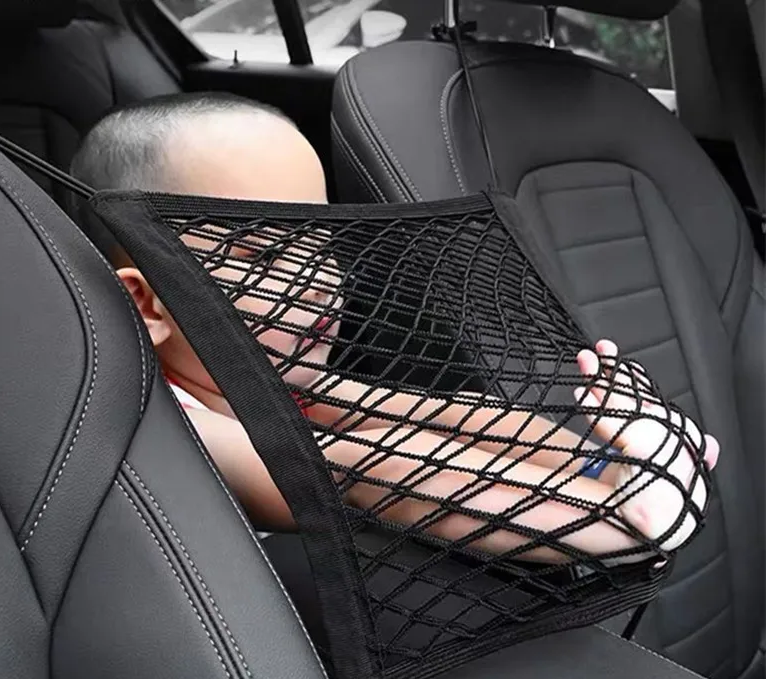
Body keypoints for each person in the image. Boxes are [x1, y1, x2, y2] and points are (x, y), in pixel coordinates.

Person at [71, 92, 719, 563]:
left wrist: (605, 461)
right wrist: (614, 517)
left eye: (320, 243)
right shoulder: (169, 419)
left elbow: (438, 416)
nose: (318, 279)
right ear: (149, 305)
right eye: (266, 258)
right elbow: (360, 472)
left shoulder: (282, 381)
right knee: (384, 454)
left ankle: (621, 488)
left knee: (427, 415)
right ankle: (619, 519)